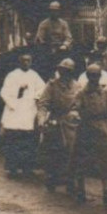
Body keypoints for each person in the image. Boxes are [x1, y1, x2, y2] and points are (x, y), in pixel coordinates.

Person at [72, 63, 107, 205]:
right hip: (86, 129)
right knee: (82, 160)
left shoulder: (106, 93)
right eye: (91, 75)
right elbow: (75, 107)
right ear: (87, 76)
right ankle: (80, 190)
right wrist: (75, 114)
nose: (94, 78)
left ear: (100, 76)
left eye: (96, 75)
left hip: (103, 129)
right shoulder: (81, 93)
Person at [37, 59, 79, 193]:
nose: (65, 74)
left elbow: (82, 104)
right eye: (63, 71)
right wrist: (41, 119)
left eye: (68, 72)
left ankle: (71, 180)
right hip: (56, 121)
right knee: (54, 152)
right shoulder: (52, 85)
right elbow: (43, 104)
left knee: (72, 153)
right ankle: (52, 178)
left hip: (71, 123)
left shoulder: (77, 86)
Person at [0, 53, 43, 177]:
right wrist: (18, 91)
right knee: (13, 140)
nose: (26, 63)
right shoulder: (12, 75)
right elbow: (4, 92)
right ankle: (12, 168)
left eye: (28, 61)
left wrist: (35, 97)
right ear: (19, 62)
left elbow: (42, 89)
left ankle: (27, 168)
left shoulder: (34, 75)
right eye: (24, 61)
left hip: (28, 111)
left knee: (28, 141)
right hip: (15, 111)